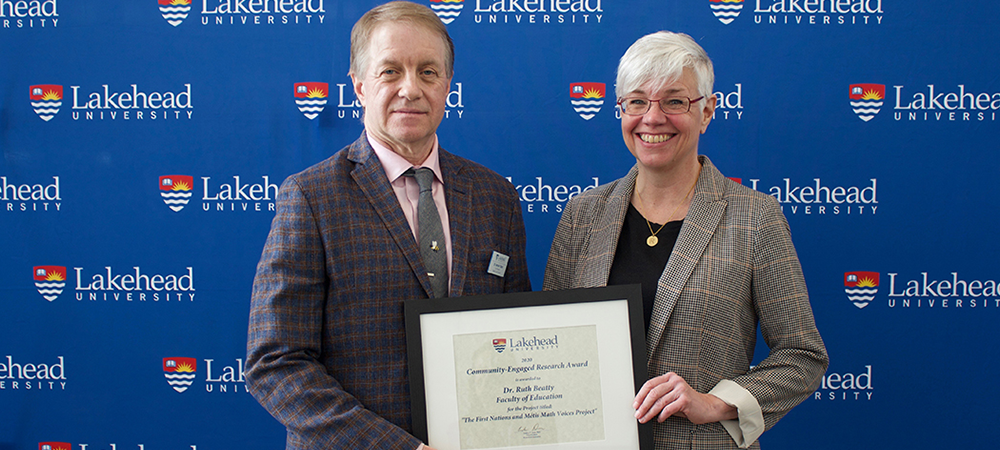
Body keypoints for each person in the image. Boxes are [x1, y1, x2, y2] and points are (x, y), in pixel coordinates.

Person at [245, 2, 531, 449]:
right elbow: (276, 362)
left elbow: (519, 340)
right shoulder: (312, 197)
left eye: (428, 72)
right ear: (358, 85)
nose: (410, 89)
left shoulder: (495, 198)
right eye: (390, 71)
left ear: (448, 85)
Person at [543, 31, 828, 449]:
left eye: (674, 101)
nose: (652, 118)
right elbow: (551, 344)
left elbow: (803, 357)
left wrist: (715, 402)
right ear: (620, 109)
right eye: (637, 101)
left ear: (707, 111)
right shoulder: (582, 215)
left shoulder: (755, 218)